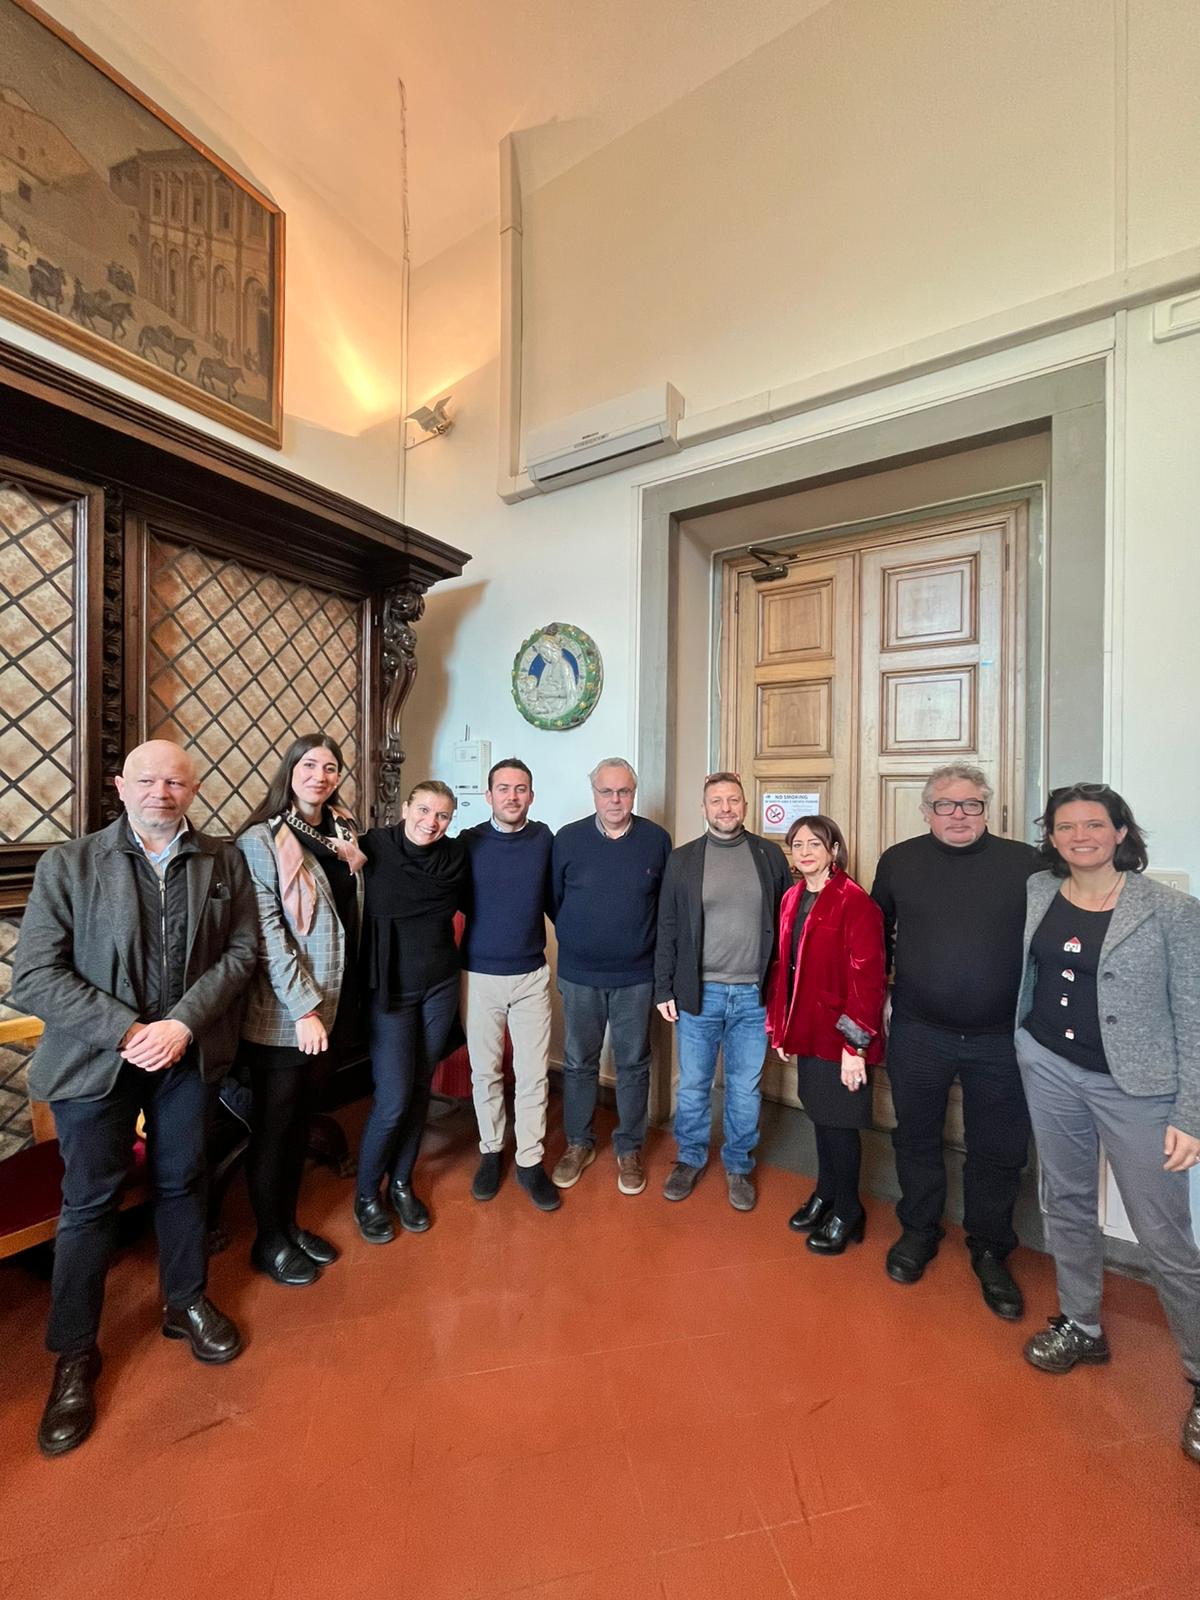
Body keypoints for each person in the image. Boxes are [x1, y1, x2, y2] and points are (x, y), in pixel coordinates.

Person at [11, 741, 258, 1457]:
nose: (161, 792)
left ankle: (184, 1302)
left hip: (186, 1054)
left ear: (194, 787)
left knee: (184, 1182)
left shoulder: (222, 859)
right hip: (97, 1060)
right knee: (88, 1204)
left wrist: (180, 1025)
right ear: (120, 786)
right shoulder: (71, 864)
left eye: (176, 780)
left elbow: (241, 953)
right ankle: (74, 1355)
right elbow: (35, 975)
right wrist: (127, 1032)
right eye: (147, 779)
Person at [1015, 783, 1200, 1464]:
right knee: (1064, 1201)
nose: (1080, 836)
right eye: (1066, 826)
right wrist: (1023, 1047)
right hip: (1050, 1067)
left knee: (1165, 1237)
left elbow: (1196, 1015)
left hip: (1139, 1091)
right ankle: (1083, 1324)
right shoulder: (1040, 890)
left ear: (1121, 832)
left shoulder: (1172, 912)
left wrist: (1192, 1113)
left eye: (1095, 824)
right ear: (1053, 836)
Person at [870, 762, 1037, 1319]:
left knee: (998, 1150)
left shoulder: (1027, 865)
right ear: (926, 811)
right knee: (914, 1136)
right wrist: (887, 993)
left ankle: (990, 1247)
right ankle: (919, 1229)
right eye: (946, 805)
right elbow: (875, 938)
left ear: (988, 810)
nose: (959, 815)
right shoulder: (899, 861)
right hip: (920, 1031)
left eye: (972, 805)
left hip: (1001, 1040)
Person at [235, 734, 365, 1286]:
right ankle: (268, 1239)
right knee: (275, 1127)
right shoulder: (261, 839)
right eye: (308, 765)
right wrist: (304, 1008)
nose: (319, 775)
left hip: (336, 1002)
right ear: (289, 771)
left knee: (299, 1124)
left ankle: (288, 1226)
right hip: (287, 1010)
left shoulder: (342, 831)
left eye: (330, 767)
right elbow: (267, 933)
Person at [655, 772, 792, 1210]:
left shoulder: (769, 856)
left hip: (754, 996)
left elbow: (788, 926)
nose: (726, 808)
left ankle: (738, 1165)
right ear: (704, 808)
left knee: (744, 1087)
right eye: (717, 801)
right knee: (694, 1085)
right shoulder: (683, 860)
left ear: (745, 807)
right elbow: (668, 927)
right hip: (699, 993)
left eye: (733, 800)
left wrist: (788, 991)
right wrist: (664, 987)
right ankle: (690, 1158)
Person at [352, 781, 469, 1243]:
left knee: (421, 1088)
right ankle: (366, 1193)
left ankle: (401, 1183)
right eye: (423, 810)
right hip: (390, 992)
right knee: (394, 1097)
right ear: (404, 808)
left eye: (441, 815)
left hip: (439, 985)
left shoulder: (455, 857)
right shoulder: (372, 847)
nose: (430, 822)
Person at [550, 759, 672, 1196]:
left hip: (636, 977)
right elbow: (555, 898)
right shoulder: (568, 839)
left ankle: (630, 1148)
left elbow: (664, 910)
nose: (615, 800)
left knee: (634, 1063)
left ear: (634, 793)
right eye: (607, 792)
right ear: (594, 793)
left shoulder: (657, 841)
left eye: (624, 792)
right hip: (580, 975)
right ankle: (578, 1144)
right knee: (579, 1061)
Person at [766, 815, 886, 1254]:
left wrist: (855, 1046)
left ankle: (849, 1209)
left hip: (842, 1040)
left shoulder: (855, 902)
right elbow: (783, 968)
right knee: (820, 1117)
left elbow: (867, 981)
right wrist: (779, 1026)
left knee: (841, 1126)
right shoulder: (793, 897)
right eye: (797, 844)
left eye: (815, 843)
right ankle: (827, 1193)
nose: (805, 851)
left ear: (834, 849)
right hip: (806, 1031)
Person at [460, 758, 560, 1212]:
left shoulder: (544, 840)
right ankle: (491, 1150)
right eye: (503, 788)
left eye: (521, 788)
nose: (512, 796)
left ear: (531, 796)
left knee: (534, 1073)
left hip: (530, 976)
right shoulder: (468, 842)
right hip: (479, 975)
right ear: (489, 795)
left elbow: (561, 900)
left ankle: (529, 1161)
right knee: (486, 1072)